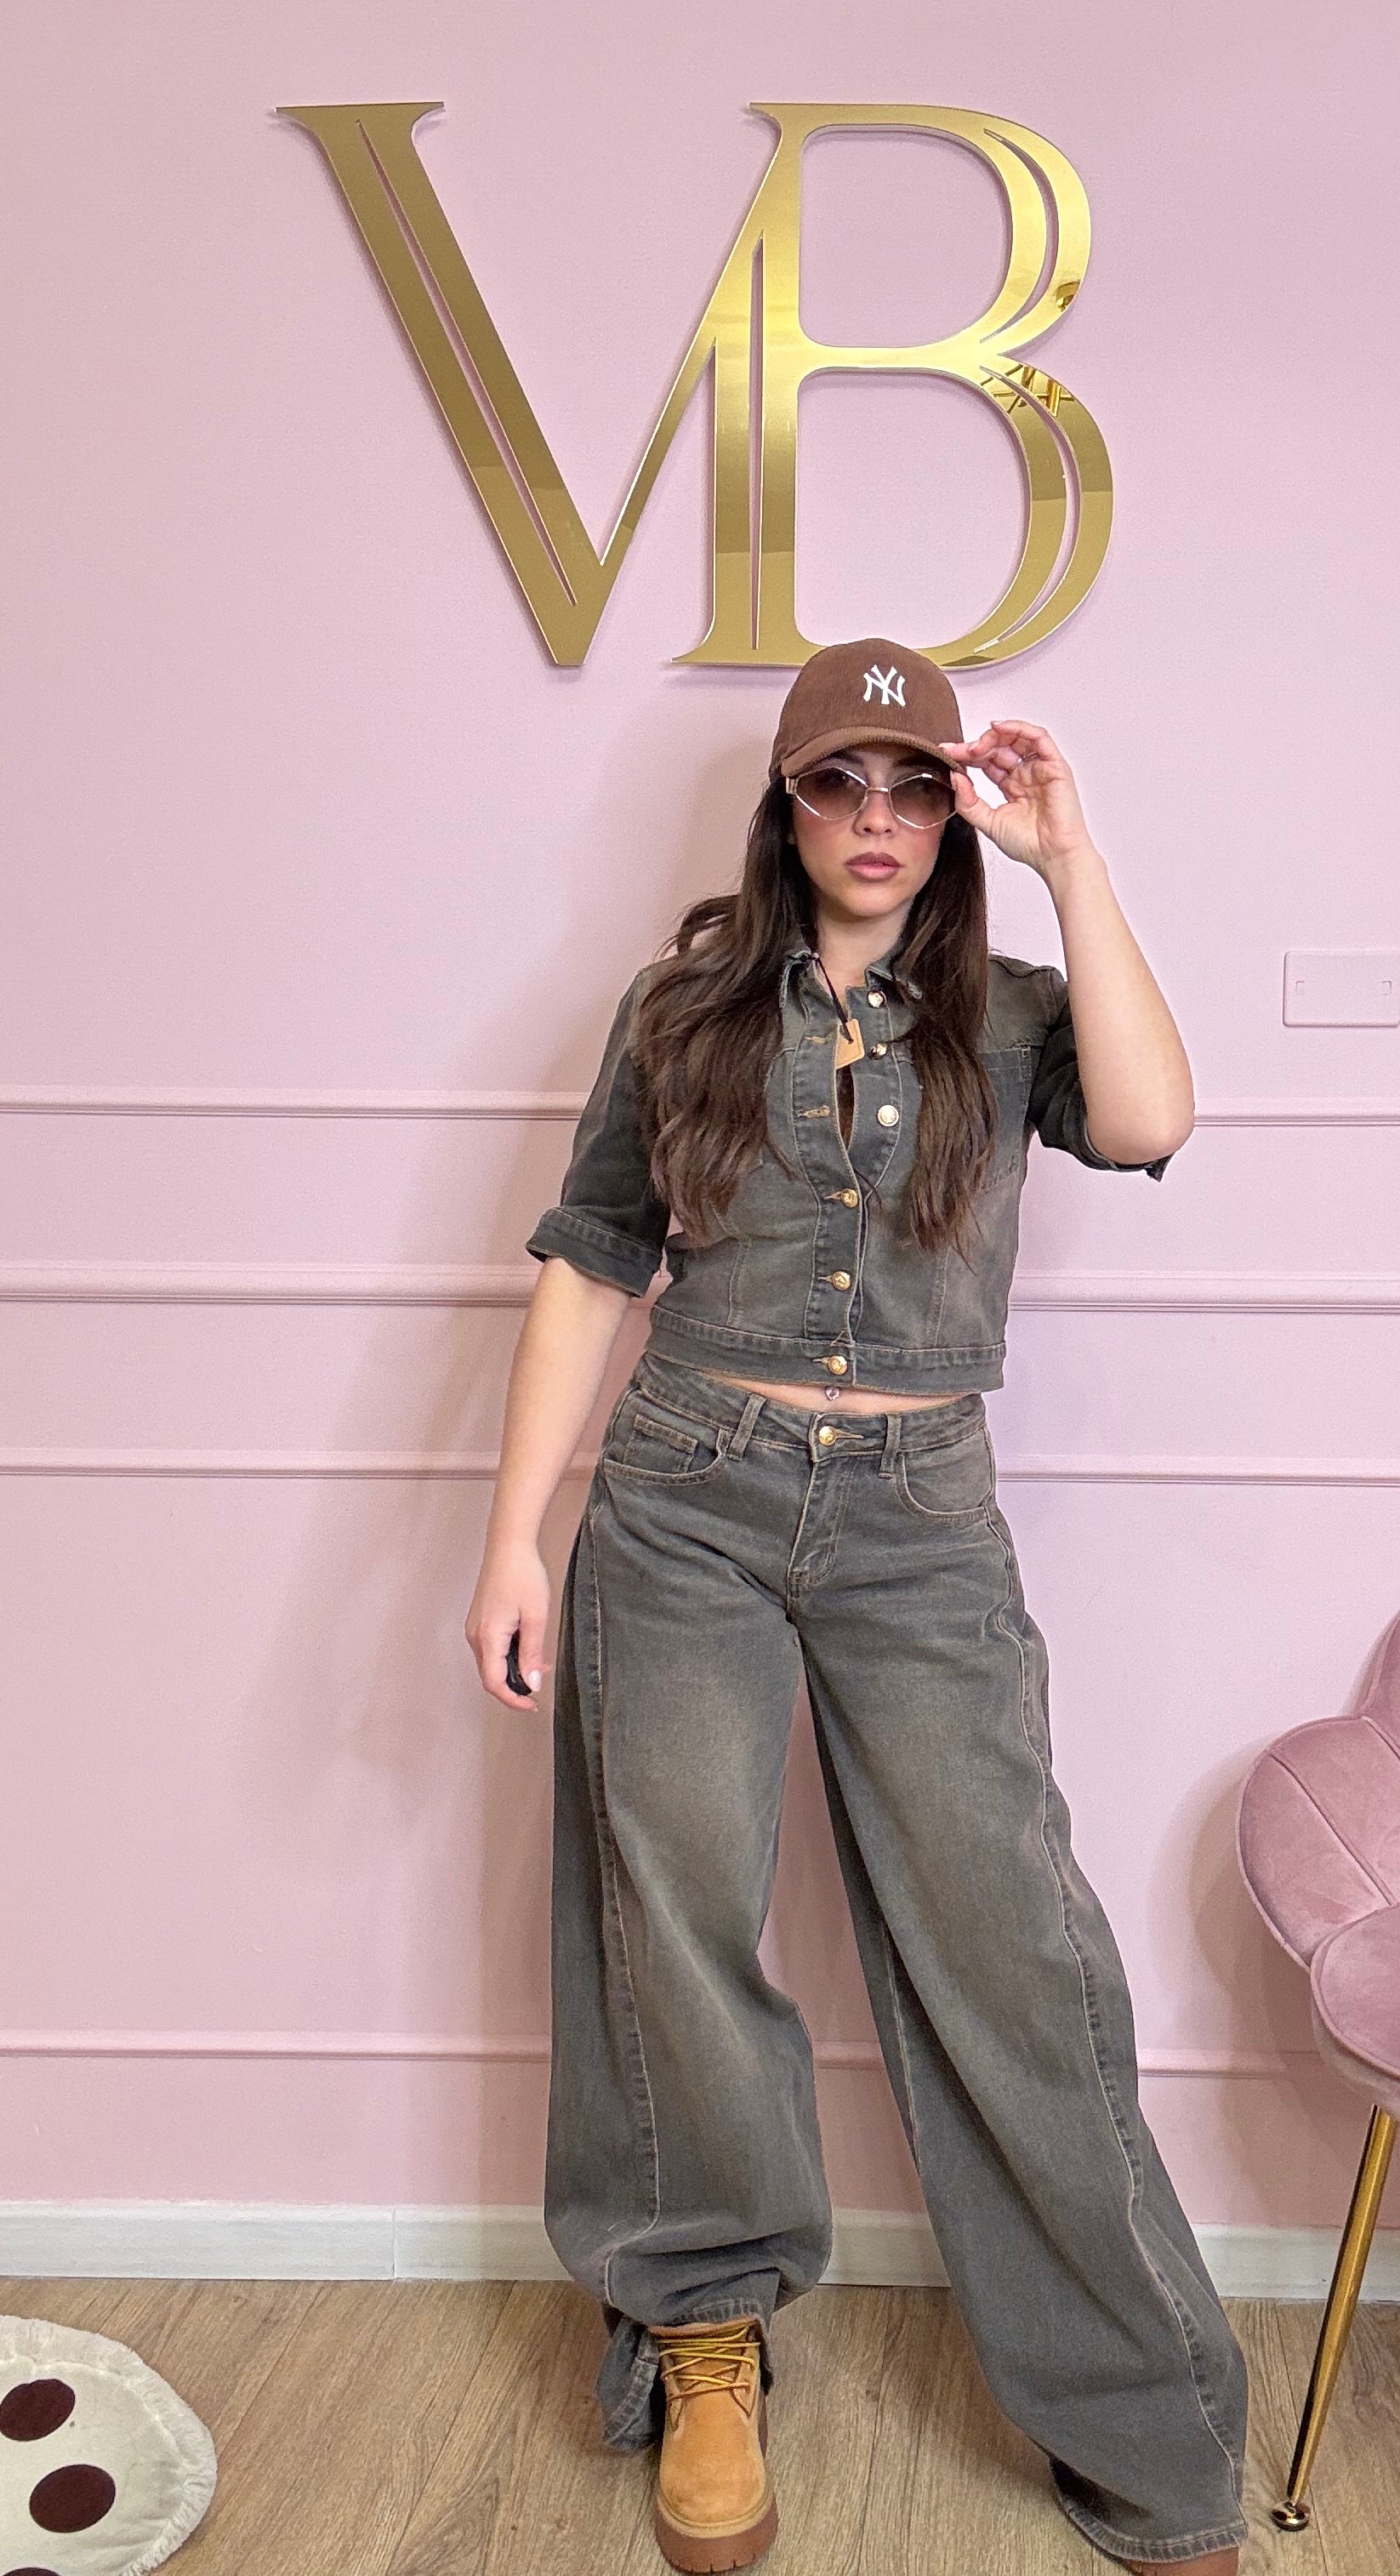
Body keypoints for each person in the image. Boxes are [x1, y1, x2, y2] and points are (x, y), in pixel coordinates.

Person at [465, 637, 1248, 2574]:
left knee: (1015, 1945)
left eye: (914, 785)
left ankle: (1142, 2416)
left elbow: (1152, 1120)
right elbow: (593, 1256)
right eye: (842, 783)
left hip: (918, 1520)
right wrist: (516, 1534)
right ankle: (704, 2337)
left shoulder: (1011, 1011)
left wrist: (1071, 854)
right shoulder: (680, 1006)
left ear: (951, 809)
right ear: (789, 804)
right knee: (672, 1921)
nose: (878, 819)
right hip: (688, 1498)